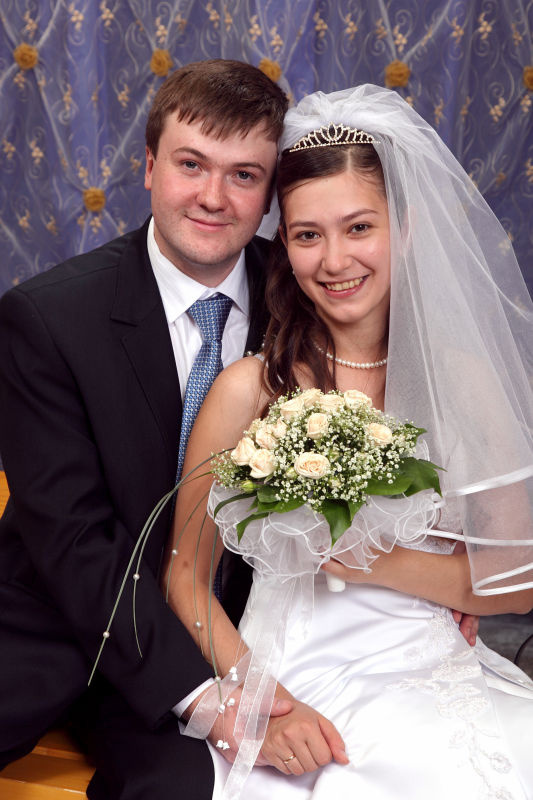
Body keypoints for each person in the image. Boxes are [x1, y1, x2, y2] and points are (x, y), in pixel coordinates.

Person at [167, 84, 533, 799]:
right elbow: (184, 577)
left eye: (358, 227)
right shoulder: (249, 389)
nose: (334, 261)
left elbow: (517, 581)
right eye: (307, 235)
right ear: (285, 245)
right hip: (294, 674)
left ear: (406, 228)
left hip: (429, 667)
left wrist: (369, 560)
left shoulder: (464, 382)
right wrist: (262, 700)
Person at [0, 59, 289, 799]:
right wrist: (205, 701)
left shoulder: (306, 298)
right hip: (62, 616)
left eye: (244, 175)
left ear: (269, 195)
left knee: (188, 789)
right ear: (150, 165)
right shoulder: (48, 318)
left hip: (232, 627)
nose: (213, 197)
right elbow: (71, 539)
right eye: (191, 165)